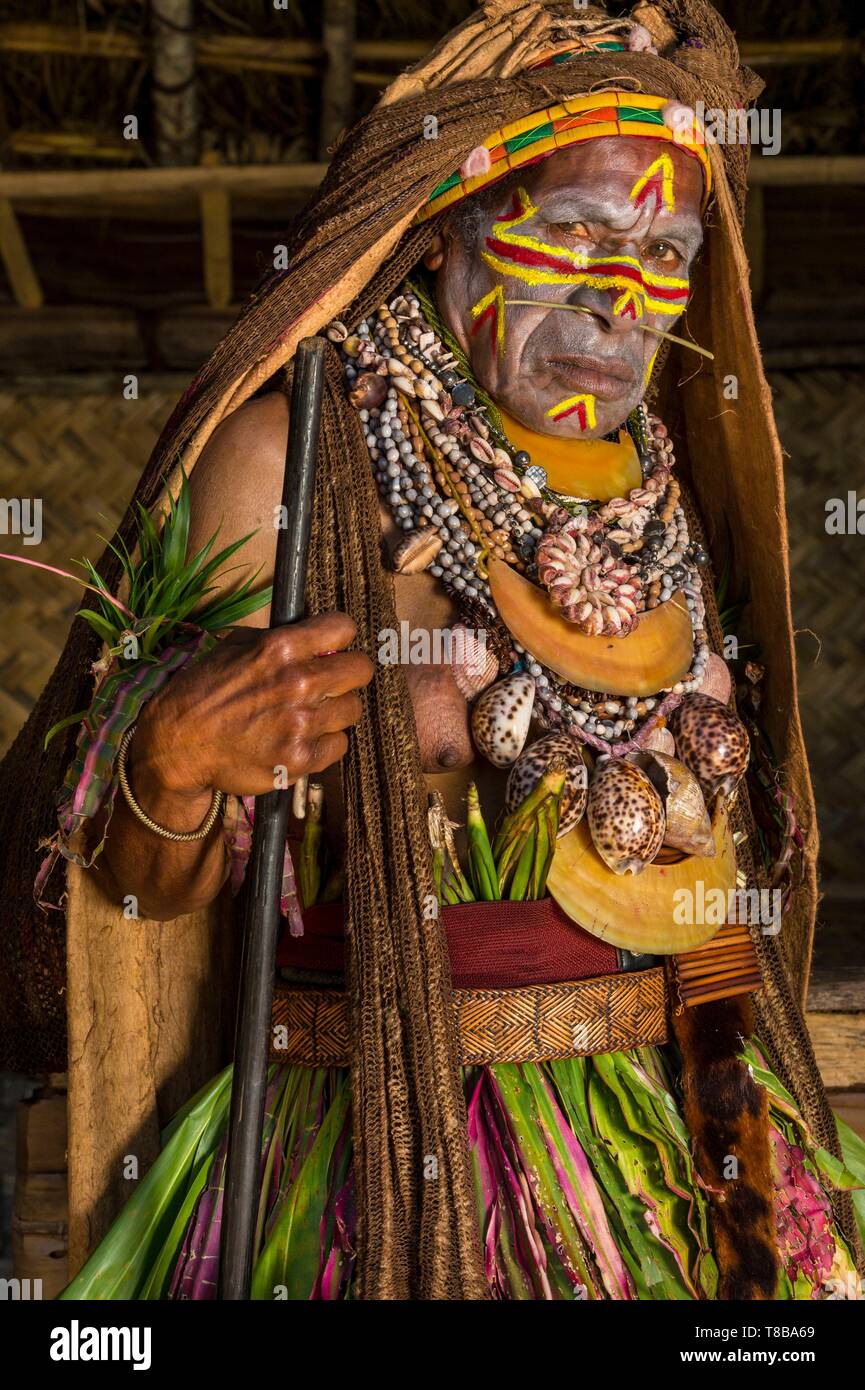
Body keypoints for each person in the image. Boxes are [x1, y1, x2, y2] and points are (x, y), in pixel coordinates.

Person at [5, 1, 862, 1300]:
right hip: (379, 1180)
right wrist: (173, 764)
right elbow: (146, 901)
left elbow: (714, 861)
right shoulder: (291, 462)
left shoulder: (662, 479)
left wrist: (752, 1187)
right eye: (576, 231)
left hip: (680, 1145)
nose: (621, 298)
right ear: (444, 222)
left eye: (665, 249)